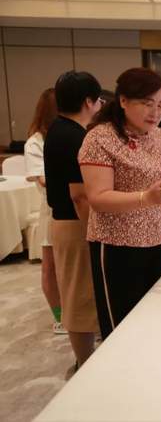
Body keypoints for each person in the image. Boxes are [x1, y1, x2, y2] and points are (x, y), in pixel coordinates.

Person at [79, 68, 161, 339]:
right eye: (147, 103)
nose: (155, 112)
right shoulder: (100, 138)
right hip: (116, 244)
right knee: (121, 324)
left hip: (157, 239)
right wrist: (145, 198)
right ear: (123, 101)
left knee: (154, 316)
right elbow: (98, 197)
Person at [43, 71, 103, 369]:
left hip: (66, 221)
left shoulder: (59, 129)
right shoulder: (74, 136)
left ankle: (85, 361)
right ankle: (84, 364)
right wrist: (95, 231)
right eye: (99, 100)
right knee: (80, 298)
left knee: (81, 294)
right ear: (88, 102)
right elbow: (79, 195)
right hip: (76, 222)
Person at [24, 87, 65, 335]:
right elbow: (42, 179)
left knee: (72, 268)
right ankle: (59, 317)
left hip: (75, 209)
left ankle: (75, 312)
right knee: (50, 267)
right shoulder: (35, 142)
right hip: (51, 210)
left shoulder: (72, 133)